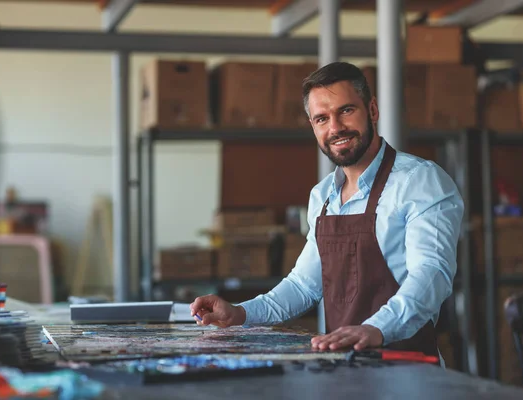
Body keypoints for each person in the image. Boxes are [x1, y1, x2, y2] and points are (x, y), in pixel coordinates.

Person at [190, 61, 464, 357]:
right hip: (343, 368)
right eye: (322, 119)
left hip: (406, 369)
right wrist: (239, 314)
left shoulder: (420, 181)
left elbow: (432, 273)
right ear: (313, 127)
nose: (335, 128)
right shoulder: (323, 196)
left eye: (346, 111)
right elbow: (303, 286)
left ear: (372, 110)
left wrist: (377, 328)